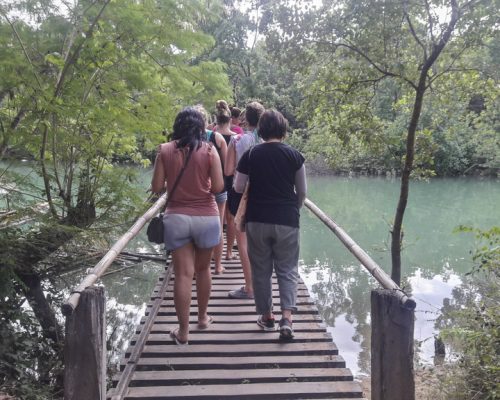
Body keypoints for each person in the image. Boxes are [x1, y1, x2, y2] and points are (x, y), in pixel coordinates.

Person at [151, 107, 224, 345]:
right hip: (207, 217)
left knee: (183, 274)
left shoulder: (164, 150)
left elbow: (156, 186)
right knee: (203, 271)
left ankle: (183, 332)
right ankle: (202, 318)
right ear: (201, 127)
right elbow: (218, 188)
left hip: (177, 217)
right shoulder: (210, 150)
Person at [233, 109, 306, 340]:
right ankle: (287, 318)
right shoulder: (295, 156)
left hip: (257, 219)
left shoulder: (252, 154)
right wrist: (293, 209)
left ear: (261, 130)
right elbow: (302, 192)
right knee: (287, 269)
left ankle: (267, 317)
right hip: (287, 220)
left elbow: (237, 186)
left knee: (261, 270)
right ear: (283, 129)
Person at [225, 101, 265, 299]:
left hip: (241, 193)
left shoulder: (239, 140)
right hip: (264, 193)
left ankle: (250, 287)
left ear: (245, 120)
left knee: (243, 242)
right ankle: (262, 285)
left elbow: (229, 170)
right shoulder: (268, 140)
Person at [195, 104, 228, 275]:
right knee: (218, 226)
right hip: (217, 189)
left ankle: (195, 265)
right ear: (207, 122)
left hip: (196, 189)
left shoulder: (184, 140)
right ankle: (217, 265)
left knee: (197, 227)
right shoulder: (217, 138)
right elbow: (226, 167)